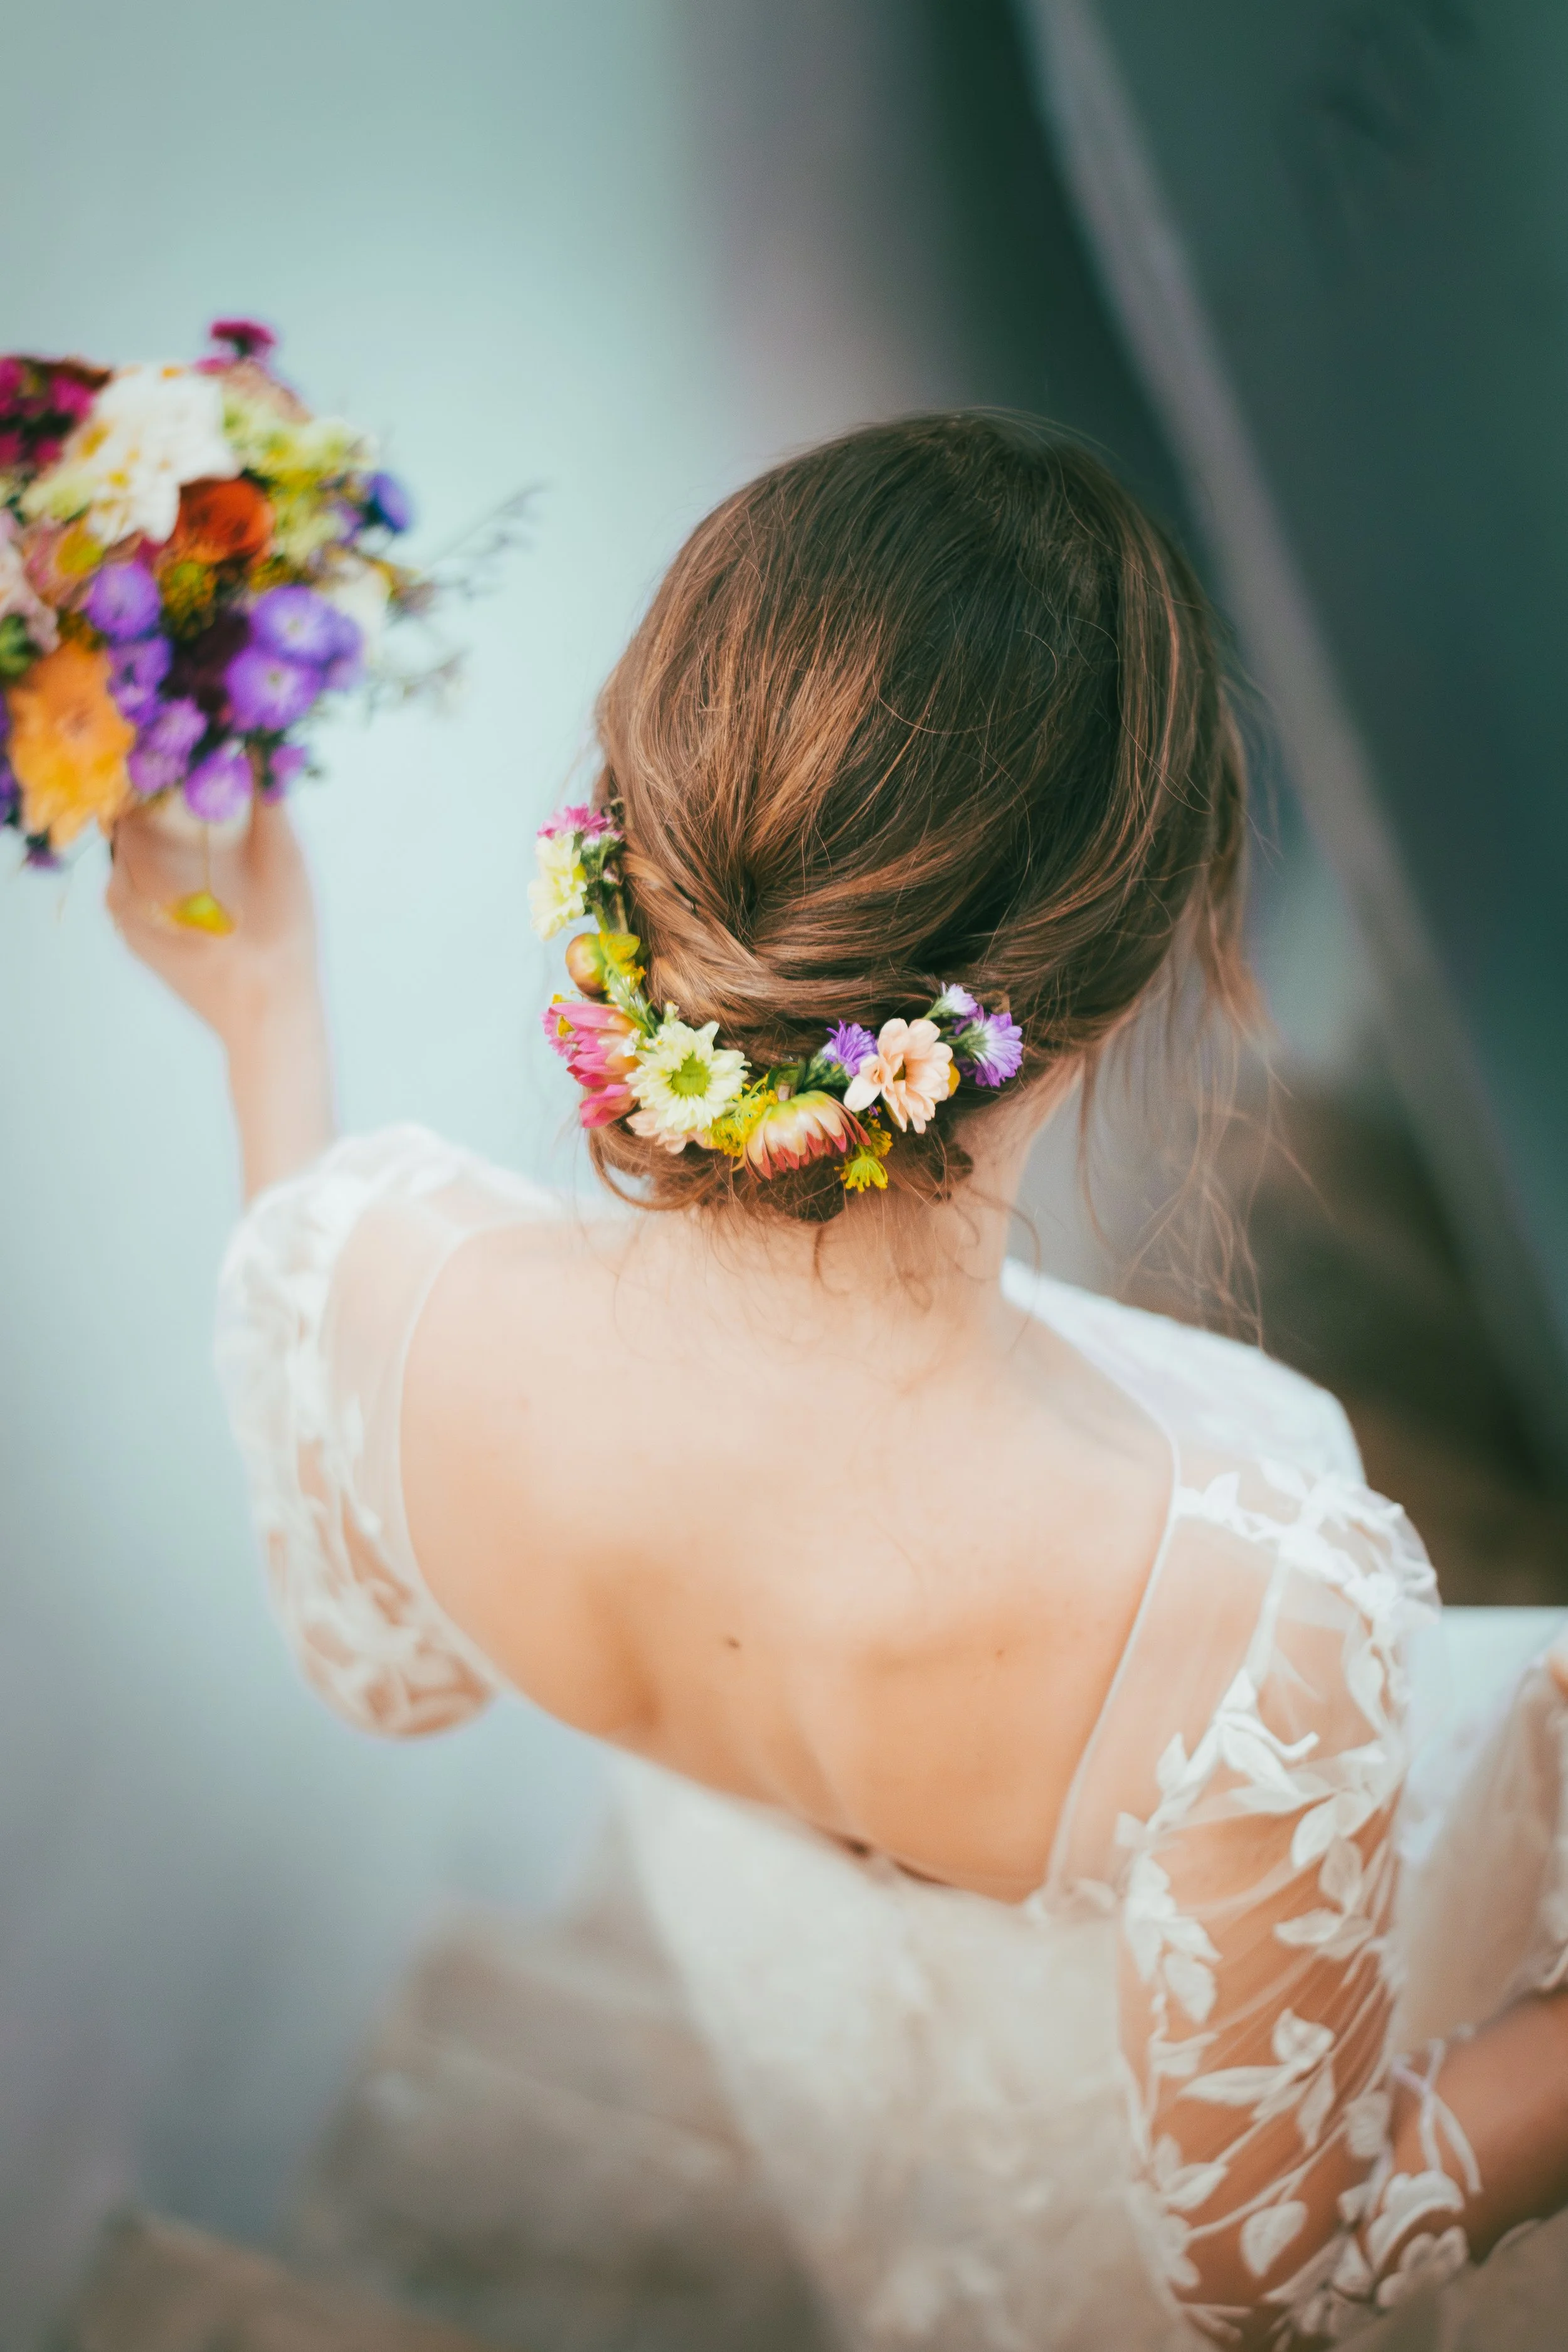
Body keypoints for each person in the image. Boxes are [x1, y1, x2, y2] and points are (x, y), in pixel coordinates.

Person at [108, 415, 1568, 2349]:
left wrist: (264, 1021)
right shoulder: (1260, 1602)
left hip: (802, 1995)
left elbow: (393, 1671)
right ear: (1129, 971)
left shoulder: (356, 1282)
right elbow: (1263, 2279)